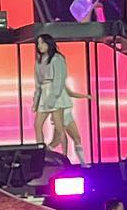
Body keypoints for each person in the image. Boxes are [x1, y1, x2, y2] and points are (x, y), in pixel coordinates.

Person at [31, 35, 91, 165]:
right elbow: (37, 83)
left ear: (49, 44)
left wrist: (53, 98)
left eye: (42, 43)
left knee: (60, 128)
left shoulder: (57, 59)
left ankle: (65, 157)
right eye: (38, 43)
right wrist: (36, 100)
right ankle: (41, 154)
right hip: (43, 94)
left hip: (55, 96)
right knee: (37, 125)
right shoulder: (39, 60)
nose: (40, 46)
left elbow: (59, 80)